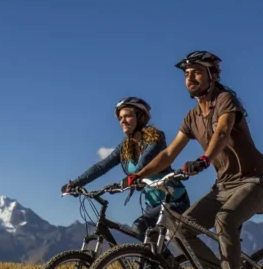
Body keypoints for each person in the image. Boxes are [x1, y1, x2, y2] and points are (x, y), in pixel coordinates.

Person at [124, 51, 263, 269]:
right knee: (180, 229)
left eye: (196, 72)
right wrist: (139, 175)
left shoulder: (225, 100)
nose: (190, 78)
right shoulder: (192, 117)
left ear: (212, 76)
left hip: (252, 183)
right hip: (222, 187)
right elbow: (169, 154)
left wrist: (204, 159)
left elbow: (223, 132)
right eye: (186, 74)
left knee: (224, 221)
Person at [62, 96, 191, 239]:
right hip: (152, 204)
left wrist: (130, 179)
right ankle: (162, 262)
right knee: (149, 245)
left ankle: (168, 261)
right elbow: (103, 165)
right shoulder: (125, 146)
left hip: (173, 200)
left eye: (128, 116)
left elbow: (144, 161)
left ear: (140, 117)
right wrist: (76, 183)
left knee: (139, 226)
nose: (122, 121)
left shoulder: (156, 138)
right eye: (120, 118)